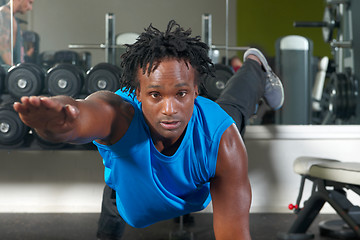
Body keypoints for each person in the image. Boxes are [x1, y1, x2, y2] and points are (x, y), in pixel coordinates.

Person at [13, 20, 284, 240]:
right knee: (116, 190)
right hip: (130, 181)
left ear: (196, 92)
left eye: (181, 93)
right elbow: (82, 114)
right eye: (156, 95)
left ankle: (255, 66)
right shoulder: (120, 114)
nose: (169, 109)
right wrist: (59, 123)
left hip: (200, 159)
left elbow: (234, 235)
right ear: (138, 94)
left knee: (233, 110)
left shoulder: (221, 139)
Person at [0, 0, 34, 66]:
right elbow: (2, 44)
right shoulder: (5, 13)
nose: (30, 8)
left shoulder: (11, 17)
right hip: (7, 73)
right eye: (29, 2)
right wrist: (14, 70)